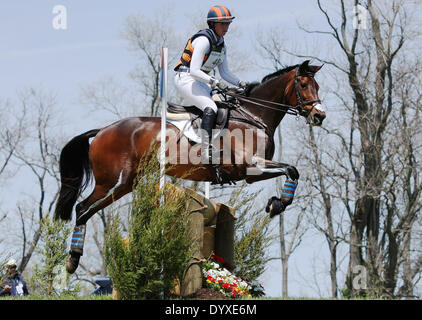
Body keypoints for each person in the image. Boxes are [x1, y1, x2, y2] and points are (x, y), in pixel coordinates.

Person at [174, 5, 248, 164]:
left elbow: (225, 73)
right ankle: (205, 150)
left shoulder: (221, 44)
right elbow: (194, 70)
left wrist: (242, 83)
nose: (227, 27)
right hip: (186, 78)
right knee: (211, 107)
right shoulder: (203, 41)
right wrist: (215, 82)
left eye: (228, 23)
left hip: (201, 81)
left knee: (224, 105)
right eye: (223, 24)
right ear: (213, 24)